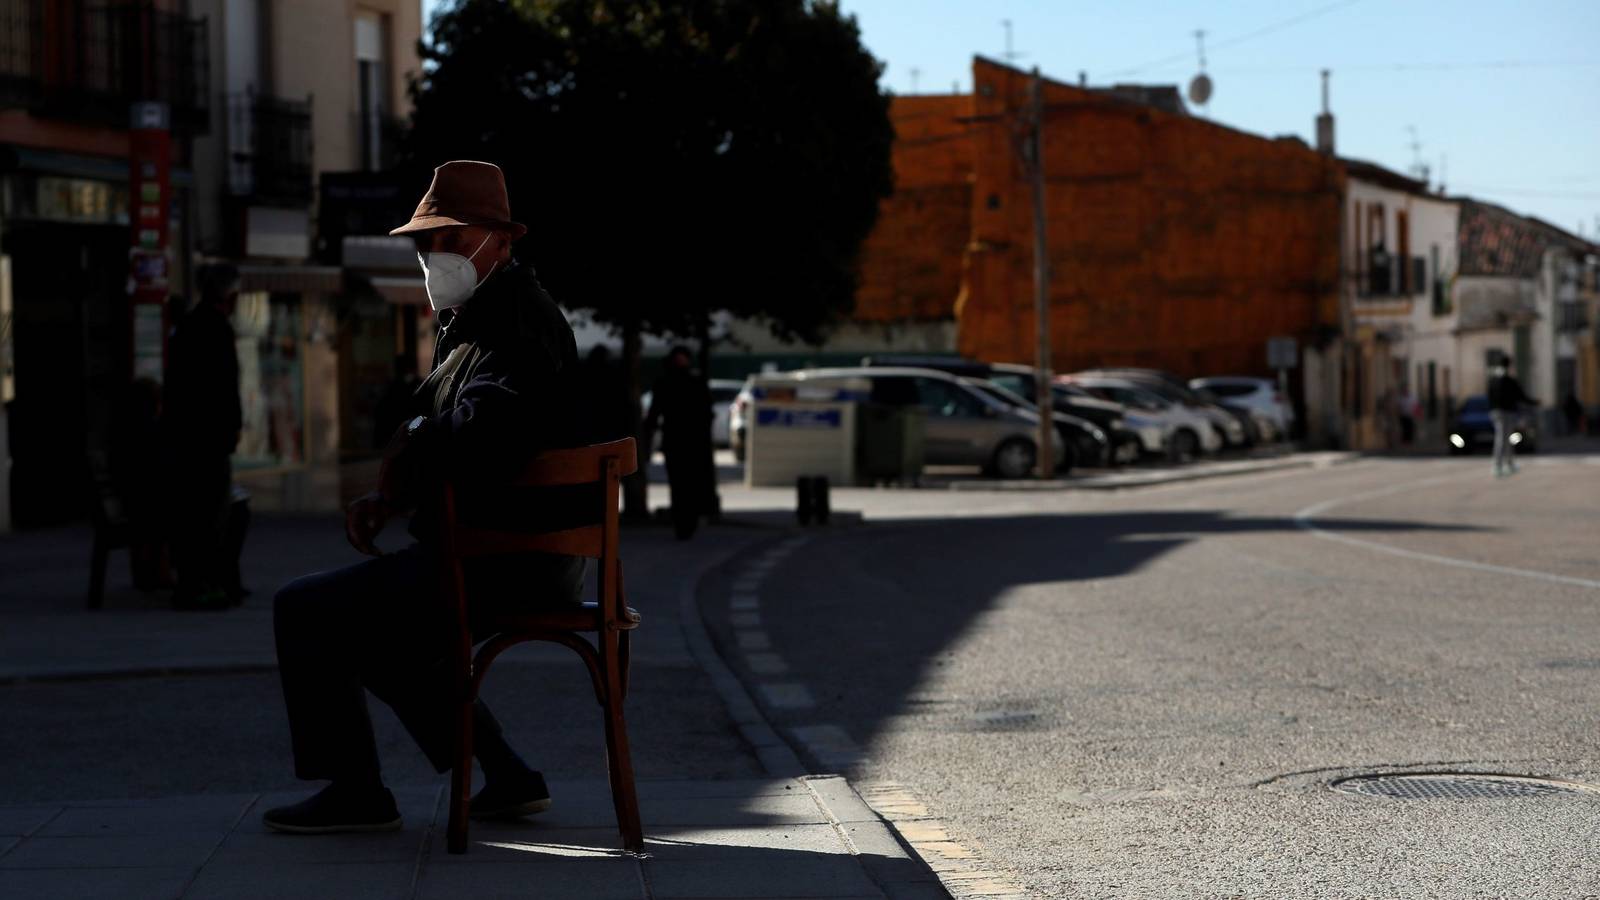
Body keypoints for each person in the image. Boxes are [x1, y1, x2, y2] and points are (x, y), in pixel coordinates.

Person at [265, 161, 586, 834]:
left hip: (502, 559)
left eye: (449, 238)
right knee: (380, 634)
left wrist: (411, 446)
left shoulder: (513, 321)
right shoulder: (472, 320)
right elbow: (437, 424)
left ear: (500, 239)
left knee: (305, 608)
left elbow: (481, 433)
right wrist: (395, 481)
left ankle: (355, 791)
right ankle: (507, 775)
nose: (433, 254)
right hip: (497, 551)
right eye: (425, 242)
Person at [163, 265, 243, 609]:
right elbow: (225, 390)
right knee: (211, 516)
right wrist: (230, 430)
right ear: (230, 297)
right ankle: (206, 584)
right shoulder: (217, 330)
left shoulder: (187, 328)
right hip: (209, 442)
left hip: (185, 440)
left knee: (192, 516)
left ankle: (194, 582)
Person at [644, 346, 714, 539]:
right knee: (685, 483)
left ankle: (684, 522)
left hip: (679, 440)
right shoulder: (693, 382)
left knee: (680, 484)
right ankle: (685, 521)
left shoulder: (668, 382)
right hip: (686, 441)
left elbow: (654, 414)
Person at [1487, 362, 1533, 478]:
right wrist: (1534, 402)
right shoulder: (1509, 381)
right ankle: (1499, 465)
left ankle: (1508, 463)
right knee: (1502, 439)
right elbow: (1520, 395)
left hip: (1498, 412)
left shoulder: (1493, 381)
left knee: (1505, 439)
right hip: (1506, 413)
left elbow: (1490, 397)